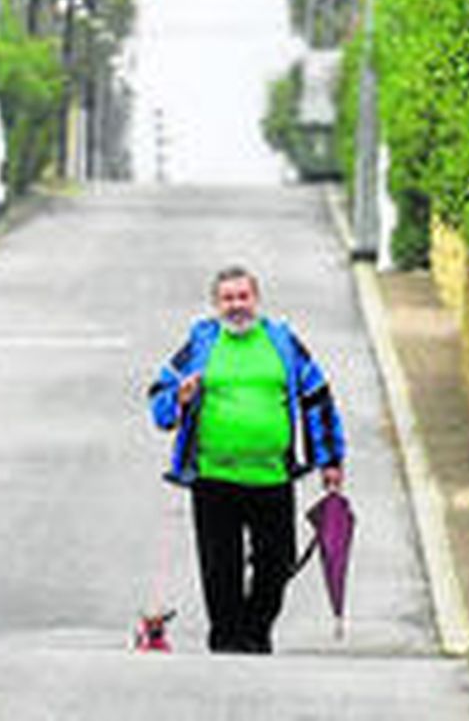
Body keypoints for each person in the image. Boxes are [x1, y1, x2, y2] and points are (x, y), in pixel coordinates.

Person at [146, 265, 346, 654]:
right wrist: (181, 397)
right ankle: (227, 642)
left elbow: (317, 397)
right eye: (228, 298)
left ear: (257, 300)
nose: (236, 305)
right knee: (221, 569)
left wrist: (331, 460)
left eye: (243, 297)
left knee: (277, 564)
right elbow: (159, 402)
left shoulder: (283, 342)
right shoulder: (200, 345)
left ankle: (255, 630)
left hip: (272, 478)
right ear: (215, 304)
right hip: (213, 478)